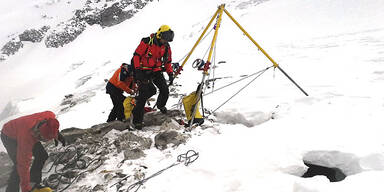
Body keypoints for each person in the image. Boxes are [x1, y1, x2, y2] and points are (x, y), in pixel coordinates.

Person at [1, 111, 66, 192]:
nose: (42, 140)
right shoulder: (26, 137)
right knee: (18, 165)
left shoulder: (49, 116)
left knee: (42, 155)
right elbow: (23, 165)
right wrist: (26, 189)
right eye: (41, 138)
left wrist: (56, 134)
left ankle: (34, 184)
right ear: (38, 132)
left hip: (25, 130)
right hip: (9, 135)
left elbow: (52, 124)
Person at [131, 25, 175, 130]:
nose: (165, 41)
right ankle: (137, 120)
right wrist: (137, 71)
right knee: (146, 93)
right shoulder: (147, 42)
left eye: (167, 39)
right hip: (143, 71)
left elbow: (168, 61)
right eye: (165, 38)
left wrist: (170, 73)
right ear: (160, 35)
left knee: (164, 89)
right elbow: (136, 56)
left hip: (156, 70)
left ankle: (161, 105)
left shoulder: (166, 47)